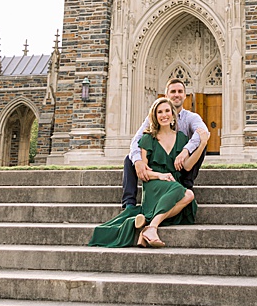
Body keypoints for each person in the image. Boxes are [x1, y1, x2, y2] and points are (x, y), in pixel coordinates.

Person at [89, 95, 197, 247]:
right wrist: (160, 175)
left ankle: (149, 226)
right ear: (155, 116)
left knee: (189, 195)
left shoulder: (182, 138)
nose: (164, 115)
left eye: (167, 111)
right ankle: (152, 228)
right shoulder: (148, 139)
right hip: (153, 183)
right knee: (183, 192)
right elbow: (144, 173)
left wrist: (203, 143)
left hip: (172, 183)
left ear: (173, 115)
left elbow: (187, 166)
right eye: (159, 112)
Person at [119, 75, 210, 210]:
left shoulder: (191, 117)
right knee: (130, 158)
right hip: (159, 164)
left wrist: (186, 150)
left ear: (185, 95)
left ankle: (186, 184)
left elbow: (203, 133)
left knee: (201, 145)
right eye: (173, 91)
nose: (176, 95)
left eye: (180, 91)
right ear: (166, 95)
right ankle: (129, 204)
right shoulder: (154, 117)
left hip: (180, 162)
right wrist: (138, 161)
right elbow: (137, 140)